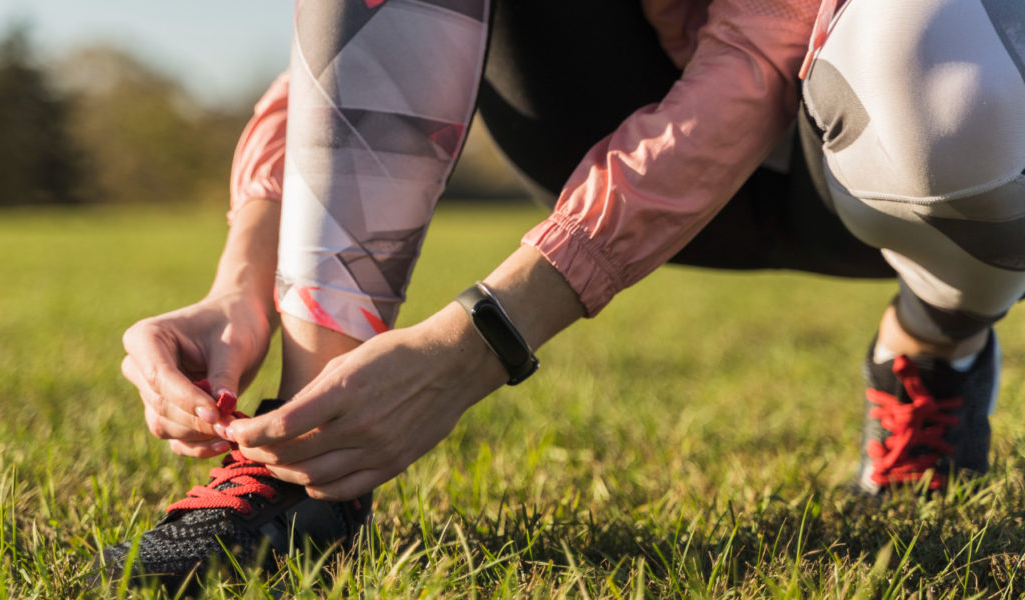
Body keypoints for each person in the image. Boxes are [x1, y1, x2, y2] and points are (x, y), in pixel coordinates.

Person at [95, 0, 1025, 589]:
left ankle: (935, 338)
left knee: (943, 70)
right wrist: (244, 277)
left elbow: (755, 56)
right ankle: (305, 447)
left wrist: (476, 344)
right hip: (607, 107)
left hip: (867, 130)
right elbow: (361, 33)